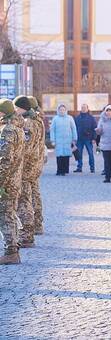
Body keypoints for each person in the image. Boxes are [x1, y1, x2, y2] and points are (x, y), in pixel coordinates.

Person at [14, 95, 42, 249]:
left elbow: (27, 147)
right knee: (30, 197)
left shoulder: (29, 123)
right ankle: (31, 229)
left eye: (16, 107)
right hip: (33, 165)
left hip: (27, 167)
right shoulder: (36, 119)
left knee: (24, 201)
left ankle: (27, 235)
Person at [0, 99, 25, 265]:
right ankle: (14, 246)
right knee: (10, 213)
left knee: (6, 215)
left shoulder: (7, 131)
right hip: (15, 179)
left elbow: (5, 160)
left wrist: (0, 182)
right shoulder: (17, 128)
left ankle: (11, 252)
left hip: (7, 181)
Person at [27, 96, 46, 235]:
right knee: (35, 193)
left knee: (30, 195)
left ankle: (35, 225)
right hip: (37, 161)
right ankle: (38, 224)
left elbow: (28, 145)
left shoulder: (32, 121)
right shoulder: (39, 119)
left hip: (31, 162)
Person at [50, 104, 77, 176]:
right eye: (60, 110)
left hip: (68, 140)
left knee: (66, 155)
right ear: (58, 110)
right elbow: (52, 130)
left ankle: (65, 170)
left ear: (65, 110)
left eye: (63, 110)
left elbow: (73, 128)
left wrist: (74, 139)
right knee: (59, 156)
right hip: (58, 140)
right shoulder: (55, 119)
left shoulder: (70, 118)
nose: (62, 111)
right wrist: (53, 140)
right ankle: (59, 170)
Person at [74, 104, 97, 173]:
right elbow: (74, 128)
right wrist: (74, 138)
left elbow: (94, 128)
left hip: (88, 138)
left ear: (87, 109)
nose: (83, 109)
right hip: (79, 138)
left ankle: (92, 168)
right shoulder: (77, 117)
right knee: (79, 153)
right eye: (82, 108)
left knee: (90, 153)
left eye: (85, 108)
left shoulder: (91, 118)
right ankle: (79, 167)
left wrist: (94, 138)